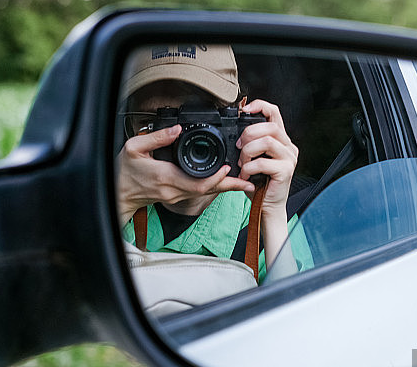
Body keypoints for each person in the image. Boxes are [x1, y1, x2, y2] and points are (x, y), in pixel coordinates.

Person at [117, 44, 311, 282]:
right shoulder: (107, 196)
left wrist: (271, 213)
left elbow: (300, 315)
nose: (179, 138)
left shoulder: (258, 209)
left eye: (201, 117)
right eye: (155, 121)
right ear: (129, 128)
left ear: (240, 114)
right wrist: (119, 200)